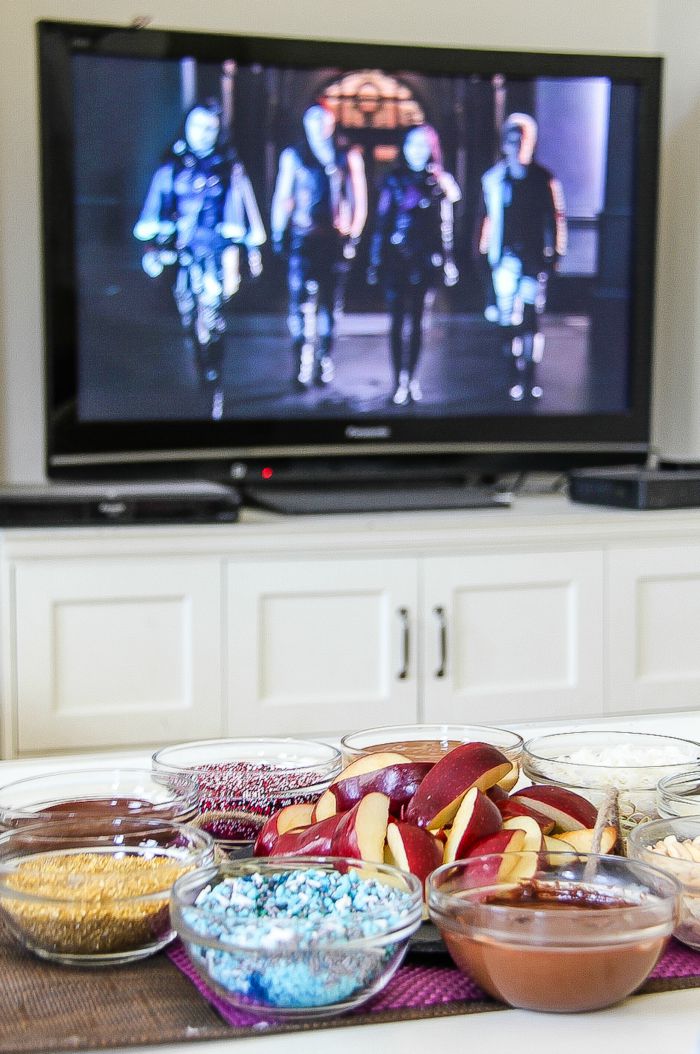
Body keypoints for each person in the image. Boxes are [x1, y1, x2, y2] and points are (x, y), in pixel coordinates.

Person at [133, 102, 266, 415]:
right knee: (189, 321)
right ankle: (199, 375)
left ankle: (212, 383)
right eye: (198, 126)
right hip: (181, 259)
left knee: (211, 322)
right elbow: (154, 214)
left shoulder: (229, 168)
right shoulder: (172, 168)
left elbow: (244, 215)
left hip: (217, 258)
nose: (204, 134)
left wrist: (251, 250)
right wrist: (153, 248)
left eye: (210, 127)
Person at [270, 103, 367, 387]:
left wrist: (353, 234)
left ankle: (324, 359)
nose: (316, 126)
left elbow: (358, 199)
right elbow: (283, 194)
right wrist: (279, 231)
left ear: (331, 124)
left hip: (333, 239)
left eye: (321, 121)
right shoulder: (294, 156)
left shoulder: (346, 156)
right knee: (299, 305)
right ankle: (302, 363)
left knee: (329, 306)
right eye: (311, 120)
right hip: (303, 238)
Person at [367, 124, 460, 405]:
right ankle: (399, 380)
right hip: (397, 258)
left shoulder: (439, 182)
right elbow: (382, 223)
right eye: (412, 145)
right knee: (397, 322)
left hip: (425, 258)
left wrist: (447, 260)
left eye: (422, 145)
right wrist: (375, 259)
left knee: (418, 321)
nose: (417, 151)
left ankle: (413, 378)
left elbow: (446, 226)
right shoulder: (393, 180)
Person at [479, 113, 567, 401]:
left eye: (523, 140)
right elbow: (486, 218)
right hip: (503, 259)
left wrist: (555, 254)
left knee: (530, 318)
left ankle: (529, 377)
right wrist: (482, 252)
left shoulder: (543, 180)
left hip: (533, 260)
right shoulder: (493, 179)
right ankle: (511, 374)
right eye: (513, 140)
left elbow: (555, 219)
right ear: (505, 143)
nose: (517, 146)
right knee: (507, 318)